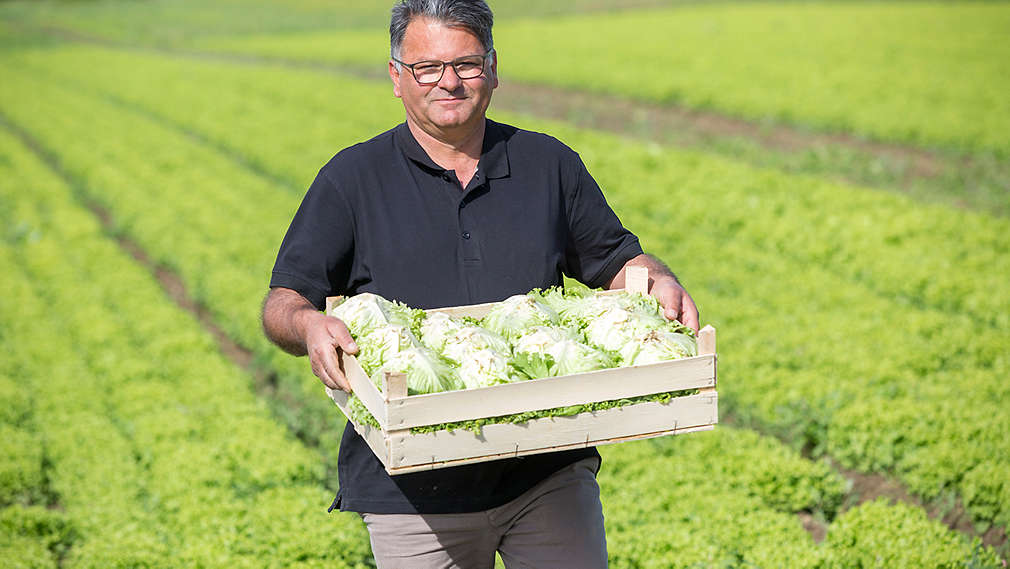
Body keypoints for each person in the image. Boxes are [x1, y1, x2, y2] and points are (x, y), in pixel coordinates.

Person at [261, 1, 699, 567]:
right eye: (427, 68)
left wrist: (658, 280)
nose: (449, 81)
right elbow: (284, 301)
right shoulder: (352, 179)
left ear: (492, 68)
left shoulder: (547, 163)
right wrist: (307, 325)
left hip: (546, 468)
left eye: (466, 64)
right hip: (411, 489)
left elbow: (618, 261)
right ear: (396, 77)